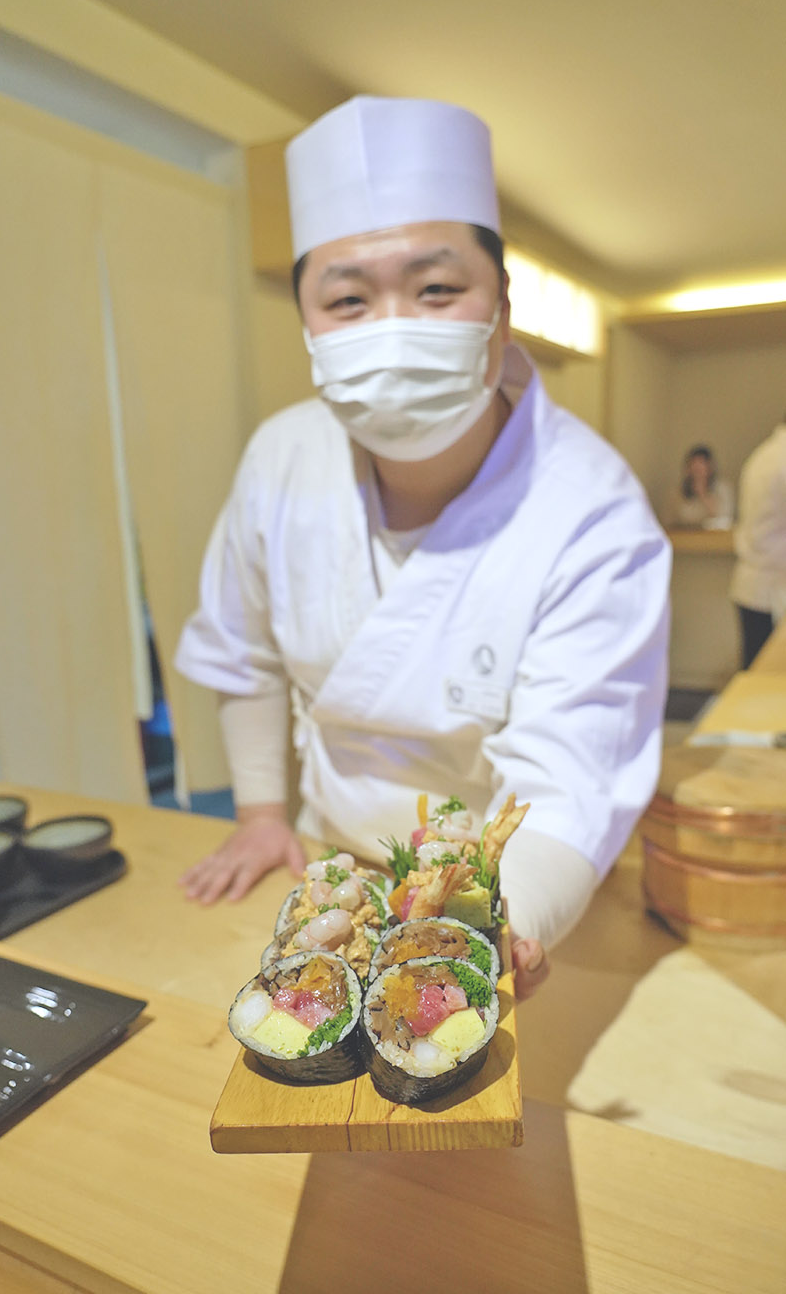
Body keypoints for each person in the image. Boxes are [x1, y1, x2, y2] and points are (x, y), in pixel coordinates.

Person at [175, 96, 671, 1000]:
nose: (393, 327)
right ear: (308, 325)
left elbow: (573, 775)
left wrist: (494, 923)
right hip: (327, 862)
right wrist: (259, 810)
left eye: (437, 289)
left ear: (502, 307)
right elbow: (242, 651)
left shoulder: (594, 511)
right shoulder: (282, 456)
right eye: (348, 299)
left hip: (508, 886)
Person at [730, 415, 786, 668]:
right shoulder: (780, 459)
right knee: (765, 675)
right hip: (769, 587)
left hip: (755, 583)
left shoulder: (765, 454)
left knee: (755, 667)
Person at [668, 444, 734, 528]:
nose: (697, 469)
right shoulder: (677, 492)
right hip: (684, 534)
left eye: (701, 464)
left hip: (712, 534)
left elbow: (724, 517)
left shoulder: (723, 489)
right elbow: (669, 521)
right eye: (693, 464)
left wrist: (703, 494)